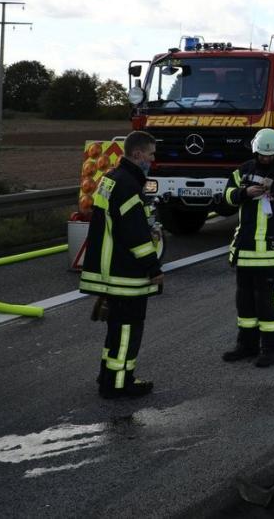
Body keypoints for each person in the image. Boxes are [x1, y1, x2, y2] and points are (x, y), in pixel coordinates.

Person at [80, 130, 164, 399]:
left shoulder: (110, 179)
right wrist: (153, 267)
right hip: (125, 272)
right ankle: (119, 384)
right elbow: (135, 235)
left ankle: (107, 374)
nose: (152, 160)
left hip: (108, 269)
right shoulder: (128, 185)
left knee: (116, 329)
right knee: (128, 329)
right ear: (137, 154)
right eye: (151, 154)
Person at [221, 128, 274, 368]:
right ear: (255, 151)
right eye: (262, 155)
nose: (266, 159)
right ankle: (246, 346)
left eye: (270, 155)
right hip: (245, 249)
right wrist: (244, 192)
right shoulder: (243, 170)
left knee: (267, 302)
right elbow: (226, 197)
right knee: (244, 302)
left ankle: (270, 349)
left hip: (269, 251)